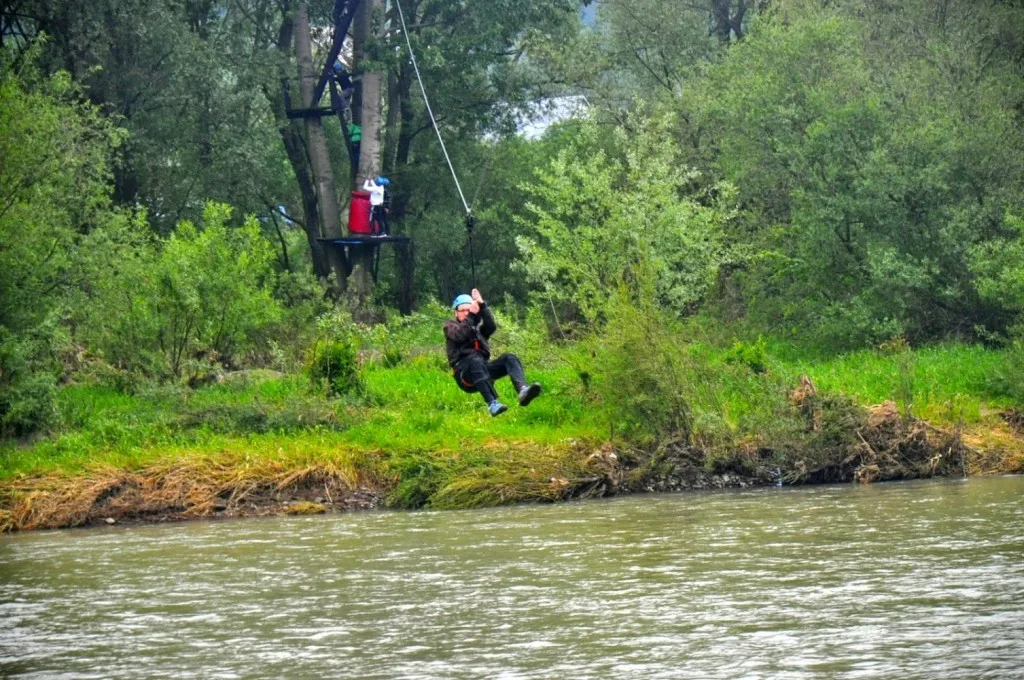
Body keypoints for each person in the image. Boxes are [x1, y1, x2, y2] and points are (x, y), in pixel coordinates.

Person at [444, 289, 541, 416]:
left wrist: (482, 305)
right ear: (456, 313)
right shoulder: (449, 327)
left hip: (482, 370)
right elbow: (460, 335)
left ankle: (523, 390)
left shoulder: (477, 331)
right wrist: (472, 315)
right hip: (464, 375)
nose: (466, 313)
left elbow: (491, 326)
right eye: (463, 311)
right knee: (475, 360)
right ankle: (492, 403)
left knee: (509, 358)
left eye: (469, 310)